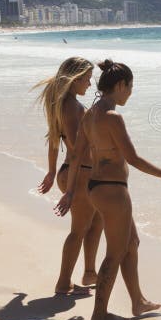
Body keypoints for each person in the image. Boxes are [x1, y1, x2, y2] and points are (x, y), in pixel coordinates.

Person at [56, 59, 161, 320]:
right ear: (121, 85)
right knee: (115, 253)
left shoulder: (90, 114)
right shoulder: (112, 118)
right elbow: (133, 158)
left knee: (131, 243)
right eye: (131, 87)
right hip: (113, 191)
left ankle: (138, 301)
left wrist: (69, 192)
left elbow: (77, 154)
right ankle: (99, 315)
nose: (131, 92)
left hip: (95, 188)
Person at [34, 57, 103, 295]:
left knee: (96, 222)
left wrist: (53, 172)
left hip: (72, 173)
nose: (89, 84)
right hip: (80, 174)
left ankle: (89, 273)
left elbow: (54, 140)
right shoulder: (72, 107)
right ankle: (64, 282)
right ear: (74, 80)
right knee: (80, 229)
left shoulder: (62, 103)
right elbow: (75, 150)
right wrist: (71, 190)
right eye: (85, 79)